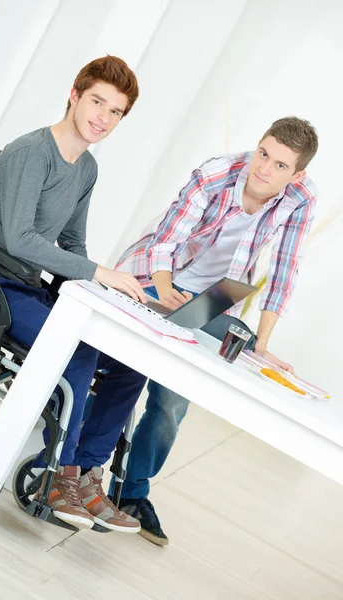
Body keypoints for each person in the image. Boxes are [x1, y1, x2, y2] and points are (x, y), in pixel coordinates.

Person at [110, 116, 319, 545]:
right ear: (257, 144)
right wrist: (166, 292)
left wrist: (262, 343)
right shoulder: (216, 173)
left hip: (215, 298)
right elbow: (165, 240)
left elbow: (284, 269)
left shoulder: (302, 198)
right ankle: (79, 469)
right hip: (158, 273)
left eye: (280, 165)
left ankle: (131, 493)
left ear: (297, 174)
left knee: (172, 404)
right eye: (263, 154)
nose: (264, 169)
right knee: (120, 370)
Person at [0, 56, 148, 533]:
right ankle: (59, 477)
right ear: (74, 95)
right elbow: (19, 240)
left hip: (33, 287)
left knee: (130, 363)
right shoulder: (34, 152)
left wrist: (103, 294)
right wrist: (101, 273)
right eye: (97, 102)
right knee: (77, 352)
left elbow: (71, 244)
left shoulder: (86, 168)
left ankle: (87, 476)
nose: (103, 118)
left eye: (115, 112)